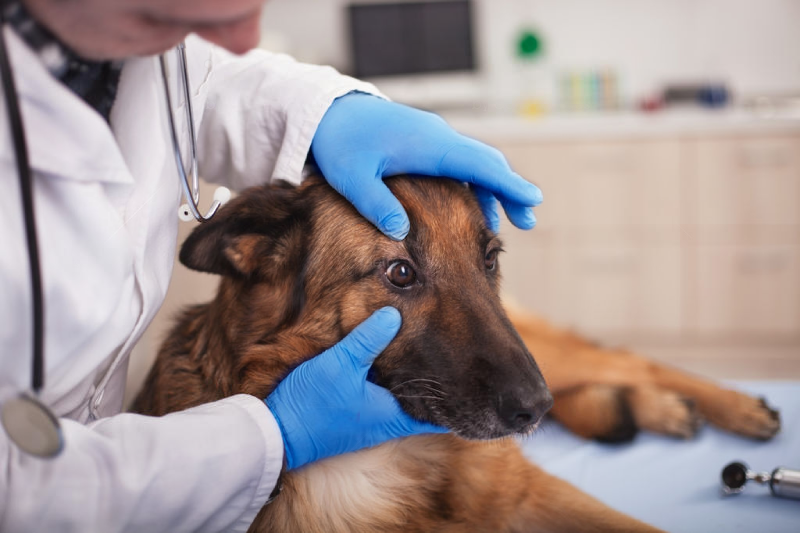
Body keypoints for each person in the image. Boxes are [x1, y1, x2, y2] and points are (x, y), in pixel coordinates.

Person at [0, 0, 543, 530]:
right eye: (400, 273)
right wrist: (273, 437)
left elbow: (195, 81)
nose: (242, 38)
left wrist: (327, 110)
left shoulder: (112, 42)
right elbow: (18, 494)